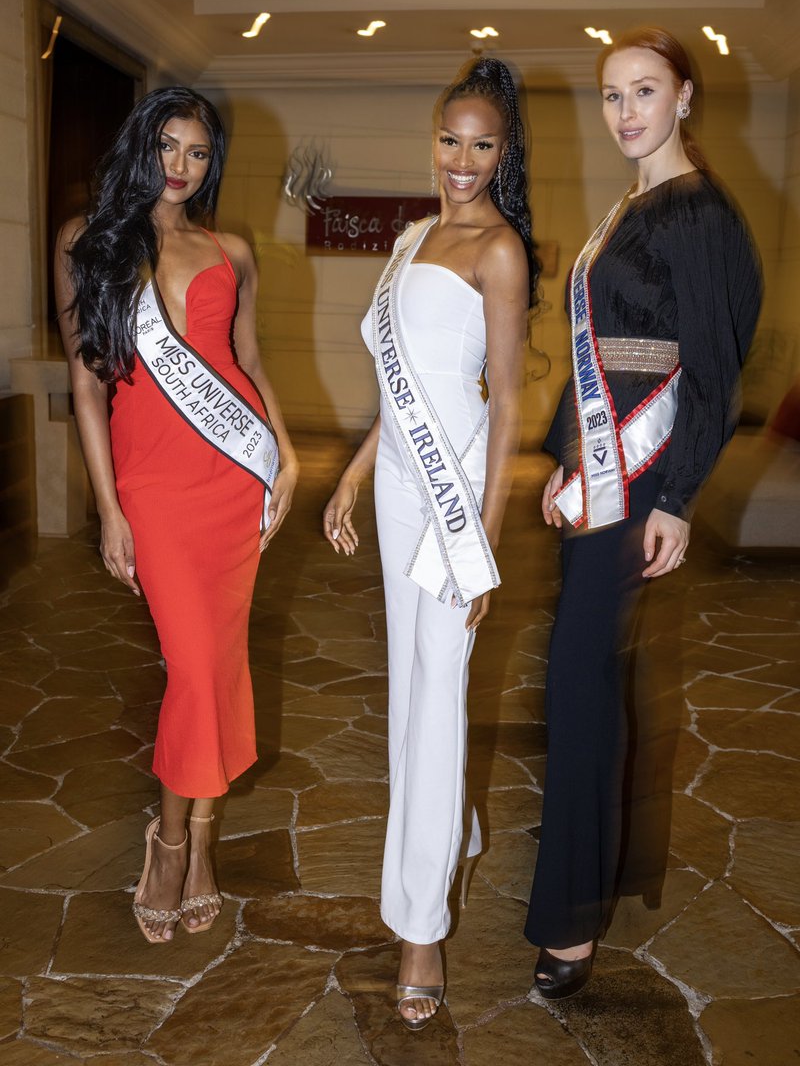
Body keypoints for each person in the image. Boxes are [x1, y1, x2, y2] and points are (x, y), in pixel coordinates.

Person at [525, 27, 762, 998]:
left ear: (683, 97)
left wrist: (674, 499)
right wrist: (561, 456)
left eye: (643, 91)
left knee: (576, 683)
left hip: (642, 480)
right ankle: (590, 873)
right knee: (583, 682)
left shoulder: (697, 213)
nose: (625, 111)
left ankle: (570, 923)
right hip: (601, 472)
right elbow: (603, 343)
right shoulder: (633, 205)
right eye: (611, 95)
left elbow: (709, 365)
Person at [55, 87, 298, 943]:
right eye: (168, 146)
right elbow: (87, 387)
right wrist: (109, 510)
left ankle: (195, 842)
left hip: (235, 476)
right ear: (141, 145)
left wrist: (289, 453)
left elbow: (251, 361)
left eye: (198, 153)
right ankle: (173, 841)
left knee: (214, 665)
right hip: (153, 487)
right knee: (196, 668)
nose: (181, 167)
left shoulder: (230, 247)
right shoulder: (86, 242)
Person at [323, 57, 535, 1030]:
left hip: (453, 515)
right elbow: (392, 397)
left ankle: (422, 926)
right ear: (433, 140)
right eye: (449, 139)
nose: (461, 159)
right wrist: (355, 476)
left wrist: (484, 538)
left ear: (502, 151)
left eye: (480, 144)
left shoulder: (499, 251)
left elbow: (504, 406)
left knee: (439, 696)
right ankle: (443, 825)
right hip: (402, 498)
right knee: (411, 700)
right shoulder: (411, 238)